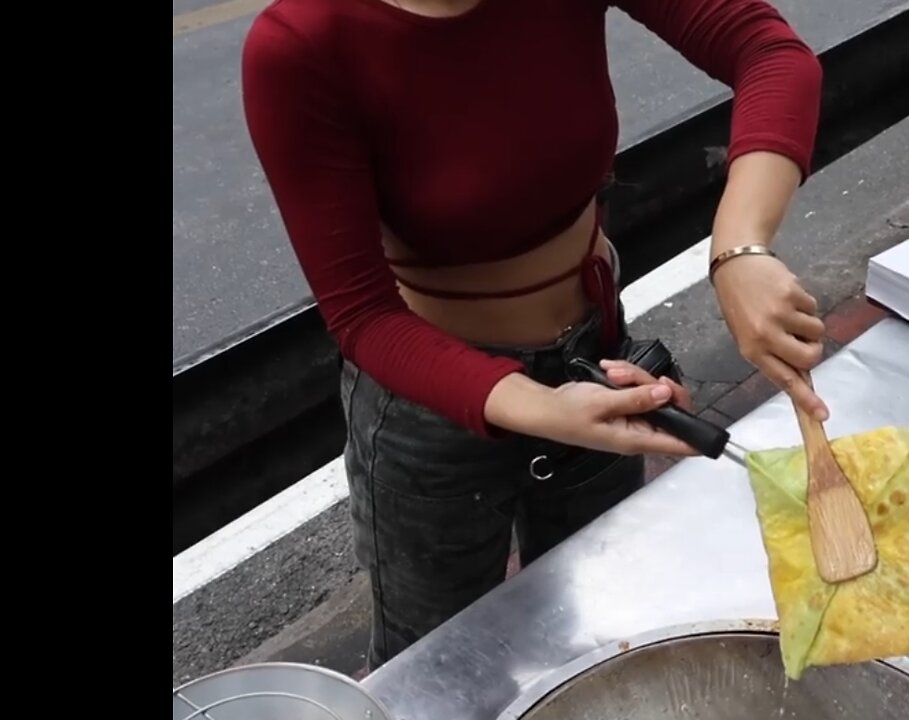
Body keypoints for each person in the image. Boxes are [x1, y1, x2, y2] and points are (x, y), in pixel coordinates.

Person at [240, 0, 831, 673]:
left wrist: (739, 249)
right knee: (439, 672)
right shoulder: (304, 42)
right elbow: (362, 315)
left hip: (595, 360)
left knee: (602, 632)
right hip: (434, 407)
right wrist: (543, 408)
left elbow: (769, 53)